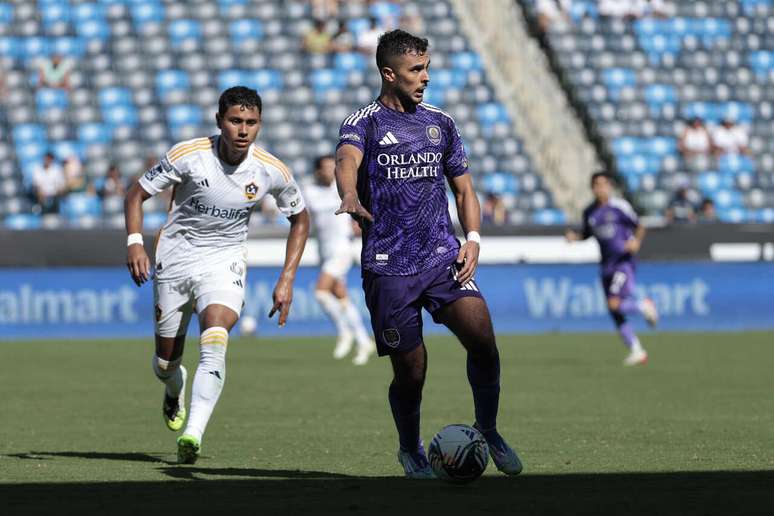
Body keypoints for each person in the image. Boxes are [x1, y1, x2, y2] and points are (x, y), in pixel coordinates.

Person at [334, 29, 522, 478]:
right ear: (388, 73)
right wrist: (348, 194)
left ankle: (489, 429)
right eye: (416, 70)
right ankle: (409, 447)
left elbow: (464, 188)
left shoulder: (440, 122)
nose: (426, 77)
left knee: (483, 338)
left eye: (427, 68)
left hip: (442, 258)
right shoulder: (364, 122)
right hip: (388, 268)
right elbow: (347, 160)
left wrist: (473, 238)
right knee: (412, 373)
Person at [124, 86, 310, 464]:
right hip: (175, 259)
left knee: (215, 336)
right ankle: (174, 388)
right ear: (219, 122)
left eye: (251, 123)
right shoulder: (188, 156)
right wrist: (134, 243)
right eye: (236, 121)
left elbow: (301, 219)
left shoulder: (270, 170)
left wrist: (286, 278)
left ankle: (193, 433)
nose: (243, 130)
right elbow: (135, 195)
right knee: (165, 365)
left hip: (224, 262)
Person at [566, 172, 658, 366]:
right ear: (592, 188)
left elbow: (640, 226)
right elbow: (587, 234)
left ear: (609, 186)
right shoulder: (590, 212)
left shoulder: (619, 207)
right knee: (614, 312)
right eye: (596, 185)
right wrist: (576, 237)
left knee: (614, 304)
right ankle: (637, 350)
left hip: (623, 263)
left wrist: (635, 241)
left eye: (603, 184)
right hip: (606, 265)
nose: (600, 188)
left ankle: (644, 305)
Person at [304, 155, 375, 365]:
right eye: (324, 167)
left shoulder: (343, 187)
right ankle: (364, 340)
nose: (329, 171)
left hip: (342, 248)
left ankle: (344, 332)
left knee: (321, 292)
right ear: (317, 171)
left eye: (331, 167)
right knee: (341, 296)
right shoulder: (309, 191)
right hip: (324, 250)